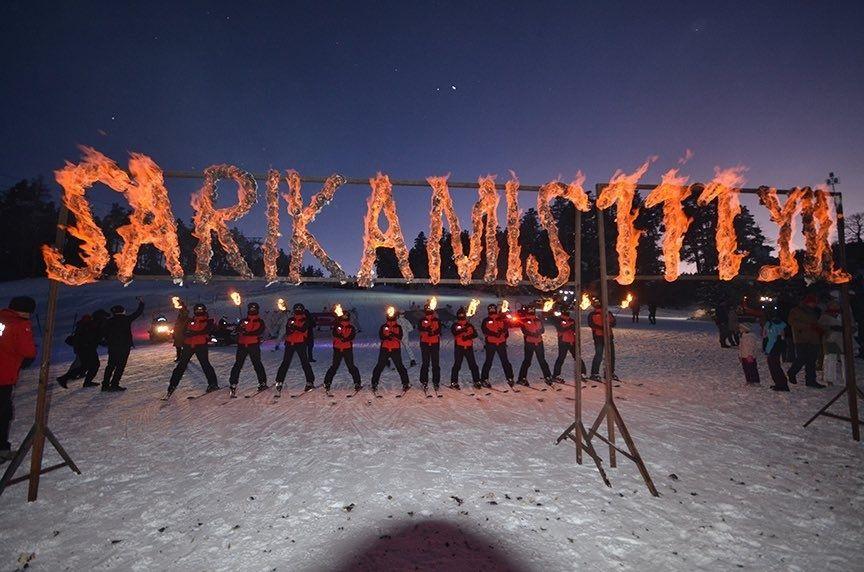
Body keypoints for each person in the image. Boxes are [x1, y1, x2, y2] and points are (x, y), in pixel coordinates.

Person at [0, 296, 37, 462]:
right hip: (3, 375)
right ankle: (2, 450)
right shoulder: (20, 324)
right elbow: (28, 351)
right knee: (3, 413)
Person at [166, 303, 219, 397]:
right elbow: (183, 331)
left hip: (200, 345)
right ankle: (172, 385)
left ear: (204, 310)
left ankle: (213, 383)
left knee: (205, 364)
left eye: (201, 310)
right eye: (197, 310)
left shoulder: (208, 321)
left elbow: (206, 330)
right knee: (181, 365)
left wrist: (193, 333)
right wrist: (184, 336)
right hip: (188, 345)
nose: (199, 311)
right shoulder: (189, 320)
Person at [101, 297, 145, 392]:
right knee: (120, 366)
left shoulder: (109, 321)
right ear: (122, 311)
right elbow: (138, 313)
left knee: (110, 366)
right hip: (124, 347)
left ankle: (105, 385)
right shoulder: (126, 319)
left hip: (113, 347)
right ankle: (114, 384)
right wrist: (142, 303)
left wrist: (107, 341)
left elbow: (103, 333)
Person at [228, 302, 268, 397]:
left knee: (257, 364)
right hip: (242, 345)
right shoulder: (243, 320)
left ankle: (262, 382)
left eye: (254, 309)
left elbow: (259, 331)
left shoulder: (260, 321)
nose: (252, 310)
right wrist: (240, 329)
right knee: (238, 364)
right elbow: (237, 330)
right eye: (251, 309)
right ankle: (233, 383)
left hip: (253, 345)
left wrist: (247, 332)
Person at [275, 303, 316, 395]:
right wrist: (292, 329)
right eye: (296, 309)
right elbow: (288, 331)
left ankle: (310, 381)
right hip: (290, 343)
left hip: (300, 343)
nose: (298, 310)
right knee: (285, 362)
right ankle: (279, 380)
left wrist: (295, 327)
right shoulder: (291, 319)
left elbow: (303, 329)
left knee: (304, 362)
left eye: (299, 309)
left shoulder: (305, 319)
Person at [786, 294, 825, 388]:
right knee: (801, 358)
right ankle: (792, 372)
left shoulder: (815, 311)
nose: (814, 304)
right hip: (801, 338)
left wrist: (819, 329)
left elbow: (817, 323)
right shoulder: (796, 310)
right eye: (813, 302)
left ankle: (811, 380)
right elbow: (792, 322)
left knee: (811, 360)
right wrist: (808, 326)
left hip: (813, 338)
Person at [370, 308, 410, 393]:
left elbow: (400, 337)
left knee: (400, 366)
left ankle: (405, 383)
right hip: (385, 349)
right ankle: (374, 383)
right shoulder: (384, 326)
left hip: (395, 349)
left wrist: (393, 335)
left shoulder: (398, 327)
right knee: (379, 366)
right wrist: (387, 337)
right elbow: (381, 336)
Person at [323, 309, 362, 392]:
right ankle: (327, 382)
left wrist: (345, 338)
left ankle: (357, 382)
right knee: (334, 366)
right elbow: (334, 333)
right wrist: (340, 336)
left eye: (346, 316)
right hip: (337, 348)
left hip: (347, 348)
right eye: (343, 316)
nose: (344, 317)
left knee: (351, 366)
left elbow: (352, 336)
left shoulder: (351, 327)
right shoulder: (337, 325)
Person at [517, 305, 553, 386]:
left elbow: (542, 330)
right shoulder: (524, 320)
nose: (531, 311)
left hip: (539, 342)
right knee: (527, 361)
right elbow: (524, 331)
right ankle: (522, 378)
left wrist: (539, 332)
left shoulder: (538, 320)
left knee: (542, 360)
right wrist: (533, 334)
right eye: (530, 310)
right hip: (529, 343)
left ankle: (547, 376)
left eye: (532, 310)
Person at [480, 303, 513, 387]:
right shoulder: (486, 320)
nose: (492, 310)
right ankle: (484, 379)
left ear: (495, 309)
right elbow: (484, 330)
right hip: (491, 344)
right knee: (488, 361)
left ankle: (510, 377)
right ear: (488, 310)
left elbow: (506, 330)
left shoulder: (501, 319)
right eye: (490, 309)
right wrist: (494, 334)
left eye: (493, 309)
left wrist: (502, 333)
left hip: (501, 343)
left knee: (505, 361)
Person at [451, 307, 481, 390]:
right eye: (459, 315)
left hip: (468, 347)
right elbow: (454, 332)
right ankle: (454, 382)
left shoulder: (469, 325)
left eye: (462, 314)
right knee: (457, 365)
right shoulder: (455, 325)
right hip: (459, 347)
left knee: (473, 365)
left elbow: (475, 334)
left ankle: (477, 381)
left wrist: (467, 337)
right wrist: (462, 330)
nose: (461, 316)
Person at [552, 308, 586, 381]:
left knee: (577, 357)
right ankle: (556, 374)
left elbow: (576, 329)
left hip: (572, 341)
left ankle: (582, 373)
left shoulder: (571, 320)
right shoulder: (559, 320)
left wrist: (573, 328)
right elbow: (560, 329)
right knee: (561, 357)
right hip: (563, 342)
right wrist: (569, 327)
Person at [588, 300, 617, 381]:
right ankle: (595, 373)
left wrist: (609, 324)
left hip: (608, 336)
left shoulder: (608, 313)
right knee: (599, 354)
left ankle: (609, 372)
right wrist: (602, 327)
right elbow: (591, 324)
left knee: (610, 355)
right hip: (599, 337)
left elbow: (613, 322)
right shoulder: (592, 314)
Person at [819, 300, 845, 386]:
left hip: (842, 340)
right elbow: (820, 327)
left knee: (845, 359)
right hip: (830, 340)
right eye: (833, 305)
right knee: (830, 359)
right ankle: (829, 379)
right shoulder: (825, 316)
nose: (835, 307)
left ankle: (847, 379)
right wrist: (830, 328)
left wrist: (845, 329)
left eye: (836, 305)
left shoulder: (843, 315)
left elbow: (852, 326)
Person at [417, 302, 442, 391]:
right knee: (425, 363)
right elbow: (419, 328)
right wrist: (426, 329)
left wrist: (433, 332)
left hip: (434, 343)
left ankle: (436, 381)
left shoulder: (436, 320)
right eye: (427, 309)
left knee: (435, 363)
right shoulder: (422, 320)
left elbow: (439, 330)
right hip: (425, 343)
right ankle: (424, 381)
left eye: (430, 308)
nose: (428, 310)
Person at [763, 312, 789, 391]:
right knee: (775, 365)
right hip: (777, 346)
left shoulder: (769, 324)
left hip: (773, 347)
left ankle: (781, 384)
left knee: (774, 366)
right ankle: (780, 383)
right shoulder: (781, 324)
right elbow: (783, 337)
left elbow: (765, 335)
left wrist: (766, 347)